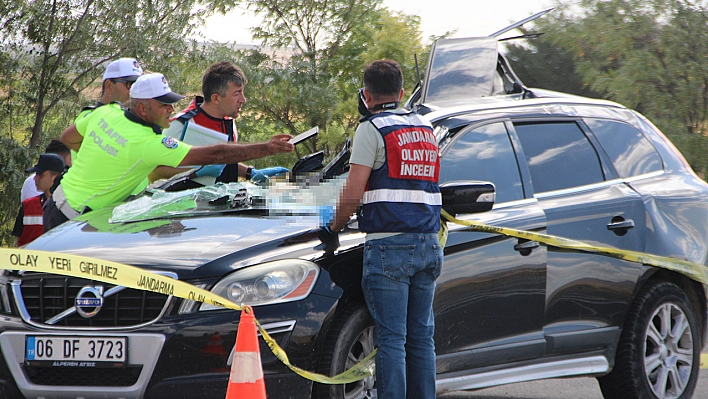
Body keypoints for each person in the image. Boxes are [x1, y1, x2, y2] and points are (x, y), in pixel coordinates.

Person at [318, 60, 443, 399]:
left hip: (390, 247)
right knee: (421, 337)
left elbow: (353, 192)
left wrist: (332, 226)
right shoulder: (424, 127)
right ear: (401, 93)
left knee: (391, 339)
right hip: (429, 244)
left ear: (366, 94)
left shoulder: (371, 129)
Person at [43, 72, 294, 231]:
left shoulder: (107, 112)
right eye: (164, 105)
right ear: (143, 109)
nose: (171, 110)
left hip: (57, 203)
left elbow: (68, 138)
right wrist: (267, 148)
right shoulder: (149, 143)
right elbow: (214, 155)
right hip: (77, 222)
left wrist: (101, 160)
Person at [158, 61, 288, 184]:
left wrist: (250, 173)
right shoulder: (180, 125)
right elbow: (158, 172)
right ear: (216, 98)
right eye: (237, 93)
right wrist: (196, 172)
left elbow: (224, 163)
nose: (243, 99)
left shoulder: (229, 123)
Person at [12, 153, 66, 246]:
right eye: (36, 174)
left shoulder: (69, 208)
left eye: (40, 174)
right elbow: (19, 242)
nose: (35, 178)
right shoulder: (28, 206)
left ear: (55, 176)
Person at [75, 57, 144, 121]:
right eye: (131, 84)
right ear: (109, 85)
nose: (135, 90)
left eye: (139, 85)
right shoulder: (88, 117)